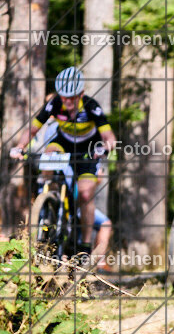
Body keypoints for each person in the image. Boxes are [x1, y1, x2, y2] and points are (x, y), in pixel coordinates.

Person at [11, 67, 116, 252]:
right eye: (64, 97)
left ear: (81, 94)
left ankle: (84, 244)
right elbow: (33, 129)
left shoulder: (92, 106)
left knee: (85, 195)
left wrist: (105, 148)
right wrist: (21, 147)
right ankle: (49, 193)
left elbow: (109, 137)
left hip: (88, 150)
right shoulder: (54, 104)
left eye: (72, 97)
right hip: (64, 142)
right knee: (49, 151)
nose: (67, 101)